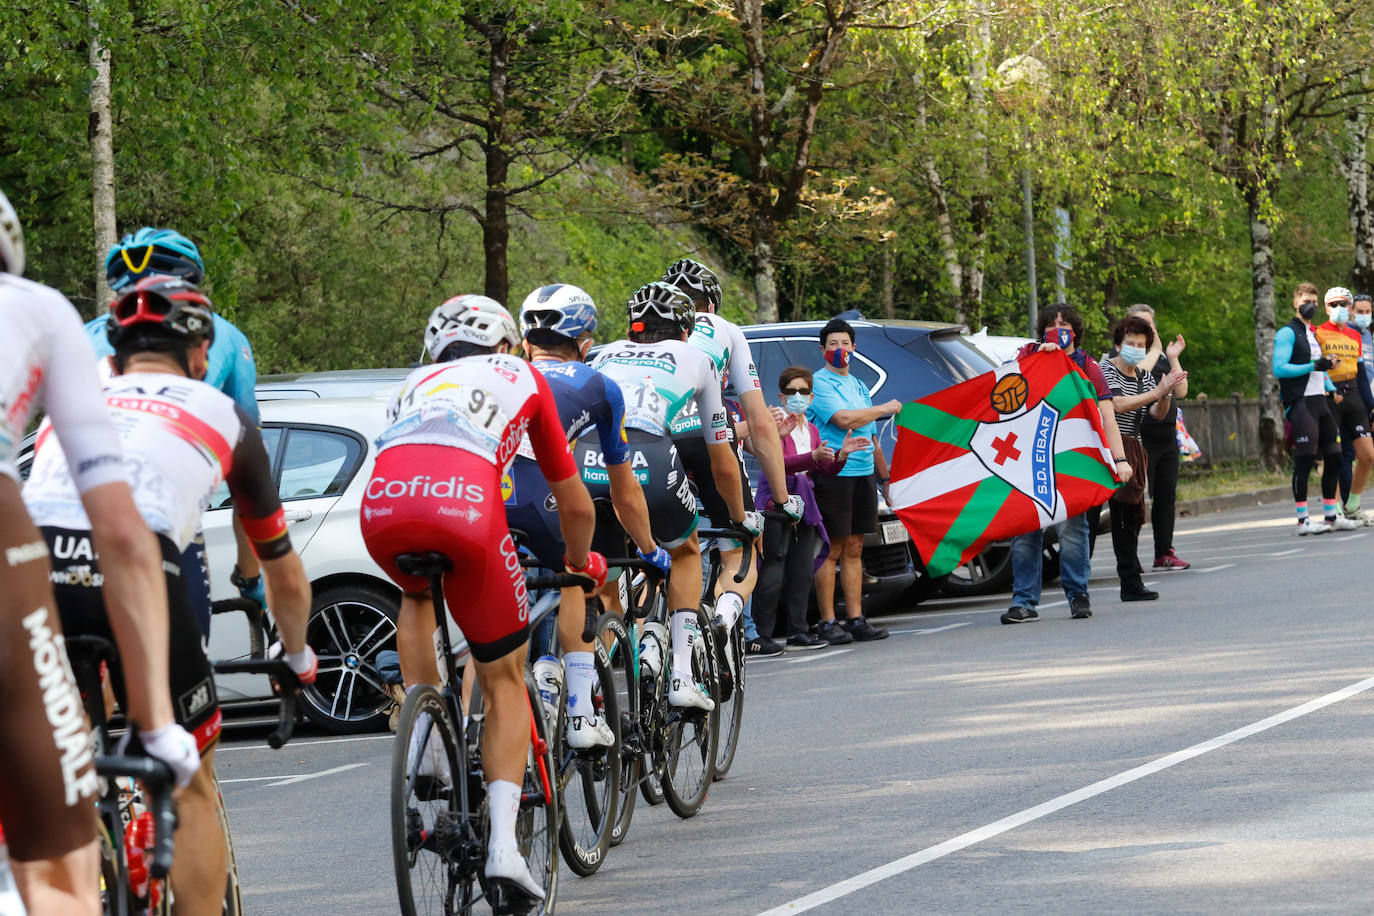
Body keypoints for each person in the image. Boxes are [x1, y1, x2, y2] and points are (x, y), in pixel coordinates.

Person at [24, 275, 318, 916]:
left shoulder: (70, 409)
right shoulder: (226, 417)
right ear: (201, 356)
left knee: (57, 769)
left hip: (32, 560)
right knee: (190, 783)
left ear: (114, 355)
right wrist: (295, 654)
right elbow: (283, 570)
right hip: (142, 563)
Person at [360, 294, 604, 907]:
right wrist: (579, 563)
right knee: (503, 678)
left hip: (385, 511)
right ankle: (504, 846)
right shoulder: (521, 374)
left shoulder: (410, 383)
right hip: (465, 511)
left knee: (416, 594)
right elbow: (573, 501)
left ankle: (427, 738)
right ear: (504, 345)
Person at [0, 189, 199, 916]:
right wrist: (155, 723)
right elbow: (121, 531)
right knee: (56, 868)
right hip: (53, 545)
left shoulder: (93, 328)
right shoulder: (41, 310)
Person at [511, 282, 669, 747]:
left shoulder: (503, 375)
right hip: (544, 500)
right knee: (577, 572)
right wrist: (648, 549)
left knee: (498, 626)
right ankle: (580, 709)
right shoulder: (598, 384)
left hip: (479, 498)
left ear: (524, 344)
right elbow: (624, 490)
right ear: (585, 345)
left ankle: (464, 728)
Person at [87, 227, 265, 631]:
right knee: (180, 675)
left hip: (71, 518)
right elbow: (247, 483)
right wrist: (249, 576)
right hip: (167, 521)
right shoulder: (222, 335)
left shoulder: (88, 334)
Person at [590, 281, 758, 707]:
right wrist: (738, 516)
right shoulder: (696, 357)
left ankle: (591, 679)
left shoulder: (602, 353)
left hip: (586, 462)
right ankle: (681, 672)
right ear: (686, 330)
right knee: (685, 550)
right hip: (650, 457)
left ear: (631, 329)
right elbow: (721, 458)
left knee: (600, 572)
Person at [661, 258, 802, 665]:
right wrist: (780, 498)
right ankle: (722, 623)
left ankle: (645, 648)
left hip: (648, 446)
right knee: (740, 551)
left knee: (658, 557)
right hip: (707, 441)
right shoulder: (724, 331)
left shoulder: (642, 340)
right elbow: (759, 423)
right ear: (713, 303)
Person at [1002, 303, 1133, 624]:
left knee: (1073, 531)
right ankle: (1023, 601)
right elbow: (1003, 396)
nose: (1057, 330)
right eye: (1051, 325)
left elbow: (1107, 415)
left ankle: (1078, 595)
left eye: (1064, 325)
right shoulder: (1025, 359)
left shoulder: (1088, 367)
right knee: (1026, 531)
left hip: (1071, 462)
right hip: (1031, 461)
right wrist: (1037, 362)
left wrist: (1120, 459)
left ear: (1075, 331)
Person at [752, 366, 869, 653]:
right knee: (772, 571)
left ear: (812, 396)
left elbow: (824, 470)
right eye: (791, 392)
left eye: (803, 392)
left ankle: (798, 631)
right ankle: (762, 635)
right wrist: (812, 458)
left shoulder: (813, 429)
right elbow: (779, 463)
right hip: (775, 505)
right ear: (781, 396)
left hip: (805, 505)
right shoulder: (774, 424)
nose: (798, 397)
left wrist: (840, 455)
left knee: (802, 570)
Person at [806, 318, 897, 643]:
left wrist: (885, 479)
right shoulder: (820, 383)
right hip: (834, 472)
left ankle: (856, 617)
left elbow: (871, 437)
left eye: (845, 344)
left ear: (854, 347)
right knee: (832, 548)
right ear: (823, 350)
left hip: (862, 474)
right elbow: (843, 418)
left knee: (856, 548)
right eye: (833, 344)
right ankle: (828, 621)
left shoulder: (858, 385)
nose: (840, 350)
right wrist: (883, 408)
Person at [1100, 316, 1187, 601]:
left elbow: (1154, 414)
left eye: (1141, 344)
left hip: (1134, 449)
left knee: (1131, 516)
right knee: (1093, 521)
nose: (1135, 348)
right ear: (1117, 345)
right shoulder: (1105, 371)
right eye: (1130, 343)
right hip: (1107, 450)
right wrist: (1157, 392)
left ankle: (1130, 581)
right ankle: (1076, 585)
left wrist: (1164, 394)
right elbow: (1116, 405)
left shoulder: (1144, 376)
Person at [1273, 282, 1356, 535]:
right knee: (1305, 457)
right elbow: (1280, 368)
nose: (1310, 306)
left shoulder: (1313, 334)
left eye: (1314, 302)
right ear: (1296, 303)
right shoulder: (1287, 333)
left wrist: (1330, 384)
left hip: (1321, 401)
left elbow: (1318, 369)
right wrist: (1314, 365)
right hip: (1301, 402)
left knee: (1334, 455)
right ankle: (1303, 520)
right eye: (1305, 301)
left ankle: (1331, 514)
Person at [1117, 304, 1191, 569]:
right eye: (1138, 323)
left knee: (1166, 495)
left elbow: (1180, 390)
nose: (1144, 329)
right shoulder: (1127, 360)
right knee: (1135, 498)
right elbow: (1142, 375)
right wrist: (1155, 350)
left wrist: (1171, 357)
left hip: (1166, 436)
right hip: (1140, 437)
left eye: (1148, 325)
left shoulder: (1159, 357)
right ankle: (1130, 557)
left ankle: (1164, 552)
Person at [1313, 287, 1374, 523]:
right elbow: (1314, 368)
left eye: (1344, 305)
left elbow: (1360, 375)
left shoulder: (1355, 335)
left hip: (1354, 396)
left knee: (1368, 455)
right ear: (1327, 308)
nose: (1340, 309)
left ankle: (1353, 505)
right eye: (1335, 305)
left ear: (1350, 308)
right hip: (1331, 396)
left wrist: (1370, 405)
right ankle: (1334, 509)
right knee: (1334, 456)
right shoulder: (1319, 333)